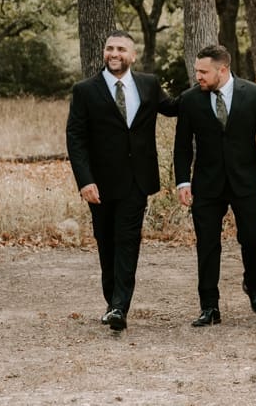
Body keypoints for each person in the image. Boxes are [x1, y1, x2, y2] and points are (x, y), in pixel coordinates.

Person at [169, 44, 256, 327]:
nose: (198, 76)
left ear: (223, 70)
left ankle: (252, 284)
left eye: (203, 71)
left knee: (254, 237)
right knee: (207, 245)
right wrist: (183, 181)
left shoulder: (255, 94)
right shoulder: (190, 99)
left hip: (244, 182)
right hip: (206, 185)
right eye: (197, 71)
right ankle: (209, 306)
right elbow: (182, 145)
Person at [65, 30, 171, 332]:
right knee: (106, 243)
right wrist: (85, 181)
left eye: (121, 49)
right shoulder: (85, 90)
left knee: (127, 241)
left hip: (137, 181)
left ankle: (120, 306)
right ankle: (112, 300)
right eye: (110, 48)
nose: (114, 53)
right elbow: (76, 137)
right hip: (99, 184)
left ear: (132, 55)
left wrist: (211, 87)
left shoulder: (149, 85)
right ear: (103, 53)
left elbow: (173, 108)